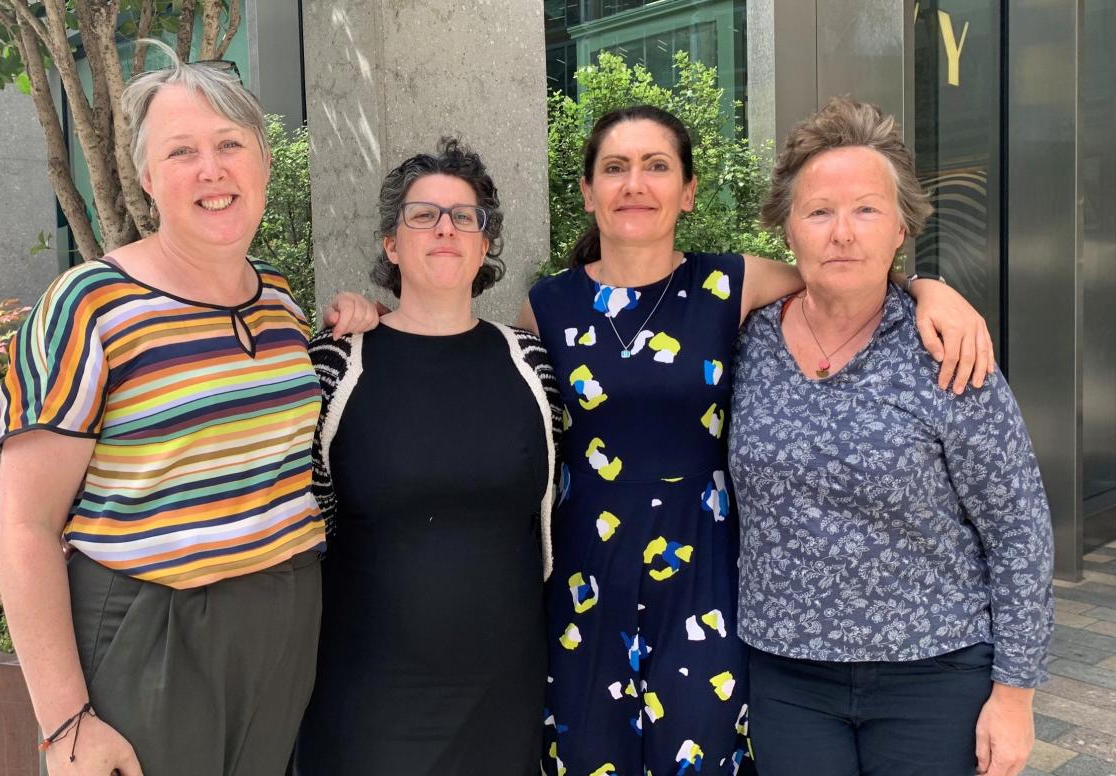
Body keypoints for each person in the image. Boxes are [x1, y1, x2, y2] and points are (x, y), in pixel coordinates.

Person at [324, 105, 993, 776]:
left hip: (702, 576)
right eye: (615, 168)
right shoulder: (546, 308)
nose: (634, 184)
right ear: (587, 192)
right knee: (585, 754)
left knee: (699, 755)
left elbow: (847, 277)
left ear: (688, 189)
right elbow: (456, 357)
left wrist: (929, 289)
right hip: (586, 572)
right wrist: (373, 318)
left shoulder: (733, 283)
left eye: (656, 166)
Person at [0, 42, 323, 776]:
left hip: (285, 616)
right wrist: (66, 722)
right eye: (181, 152)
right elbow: (24, 524)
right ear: (147, 177)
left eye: (229, 144)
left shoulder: (280, 302)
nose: (211, 169)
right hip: (151, 633)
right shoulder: (89, 305)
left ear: (263, 163)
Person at [729, 96, 1053, 776]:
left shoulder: (946, 349)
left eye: (866, 209)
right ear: (787, 229)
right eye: (819, 211)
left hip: (934, 677)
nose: (842, 232)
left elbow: (1019, 528)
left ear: (901, 227)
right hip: (787, 682)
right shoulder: (742, 344)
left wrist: (1015, 693)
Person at [290, 138, 562, 776]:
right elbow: (307, 509)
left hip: (505, 689)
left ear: (486, 241)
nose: (446, 228)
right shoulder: (336, 361)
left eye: (464, 216)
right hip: (365, 693)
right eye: (423, 215)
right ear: (391, 243)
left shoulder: (531, 362)